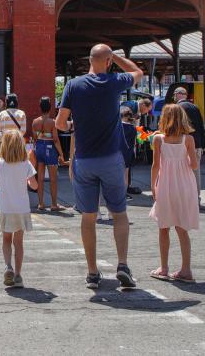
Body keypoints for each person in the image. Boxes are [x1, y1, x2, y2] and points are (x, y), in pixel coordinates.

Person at [56, 43, 143, 290]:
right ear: (108, 62)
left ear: (89, 60)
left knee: (88, 216)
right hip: (111, 158)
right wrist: (116, 56)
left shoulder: (73, 85)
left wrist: (76, 125)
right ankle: (123, 265)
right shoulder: (115, 81)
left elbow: (61, 124)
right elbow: (138, 72)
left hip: (84, 159)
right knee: (119, 213)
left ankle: (93, 272)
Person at [148, 103, 200, 283]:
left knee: (164, 227)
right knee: (181, 228)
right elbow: (194, 165)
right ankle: (186, 269)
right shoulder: (188, 140)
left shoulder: (158, 139)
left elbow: (155, 166)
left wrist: (153, 186)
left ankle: (163, 268)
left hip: (166, 184)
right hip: (185, 184)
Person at [0, 130, 39, 289]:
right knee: (18, 242)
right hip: (22, 209)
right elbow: (35, 185)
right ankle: (18, 274)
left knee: (6, 240)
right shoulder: (26, 164)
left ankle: (8, 267)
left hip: (6, 208)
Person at [31, 97, 68, 212]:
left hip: (40, 148)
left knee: (40, 178)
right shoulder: (52, 122)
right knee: (53, 179)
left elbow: (35, 138)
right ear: (50, 107)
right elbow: (56, 140)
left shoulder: (35, 122)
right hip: (50, 148)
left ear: (40, 107)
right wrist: (61, 155)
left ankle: (41, 204)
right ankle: (53, 204)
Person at [173, 87, 205, 207]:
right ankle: (196, 200)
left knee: (181, 173)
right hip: (197, 144)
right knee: (195, 173)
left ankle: (183, 200)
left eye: (174, 95)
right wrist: (202, 145)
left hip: (182, 145)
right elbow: (201, 127)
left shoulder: (177, 108)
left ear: (177, 95)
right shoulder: (195, 107)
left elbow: (176, 127)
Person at [120, 106, 138, 199]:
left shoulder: (117, 126)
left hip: (117, 153)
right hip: (127, 153)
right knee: (125, 174)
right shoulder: (133, 128)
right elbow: (134, 143)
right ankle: (123, 194)